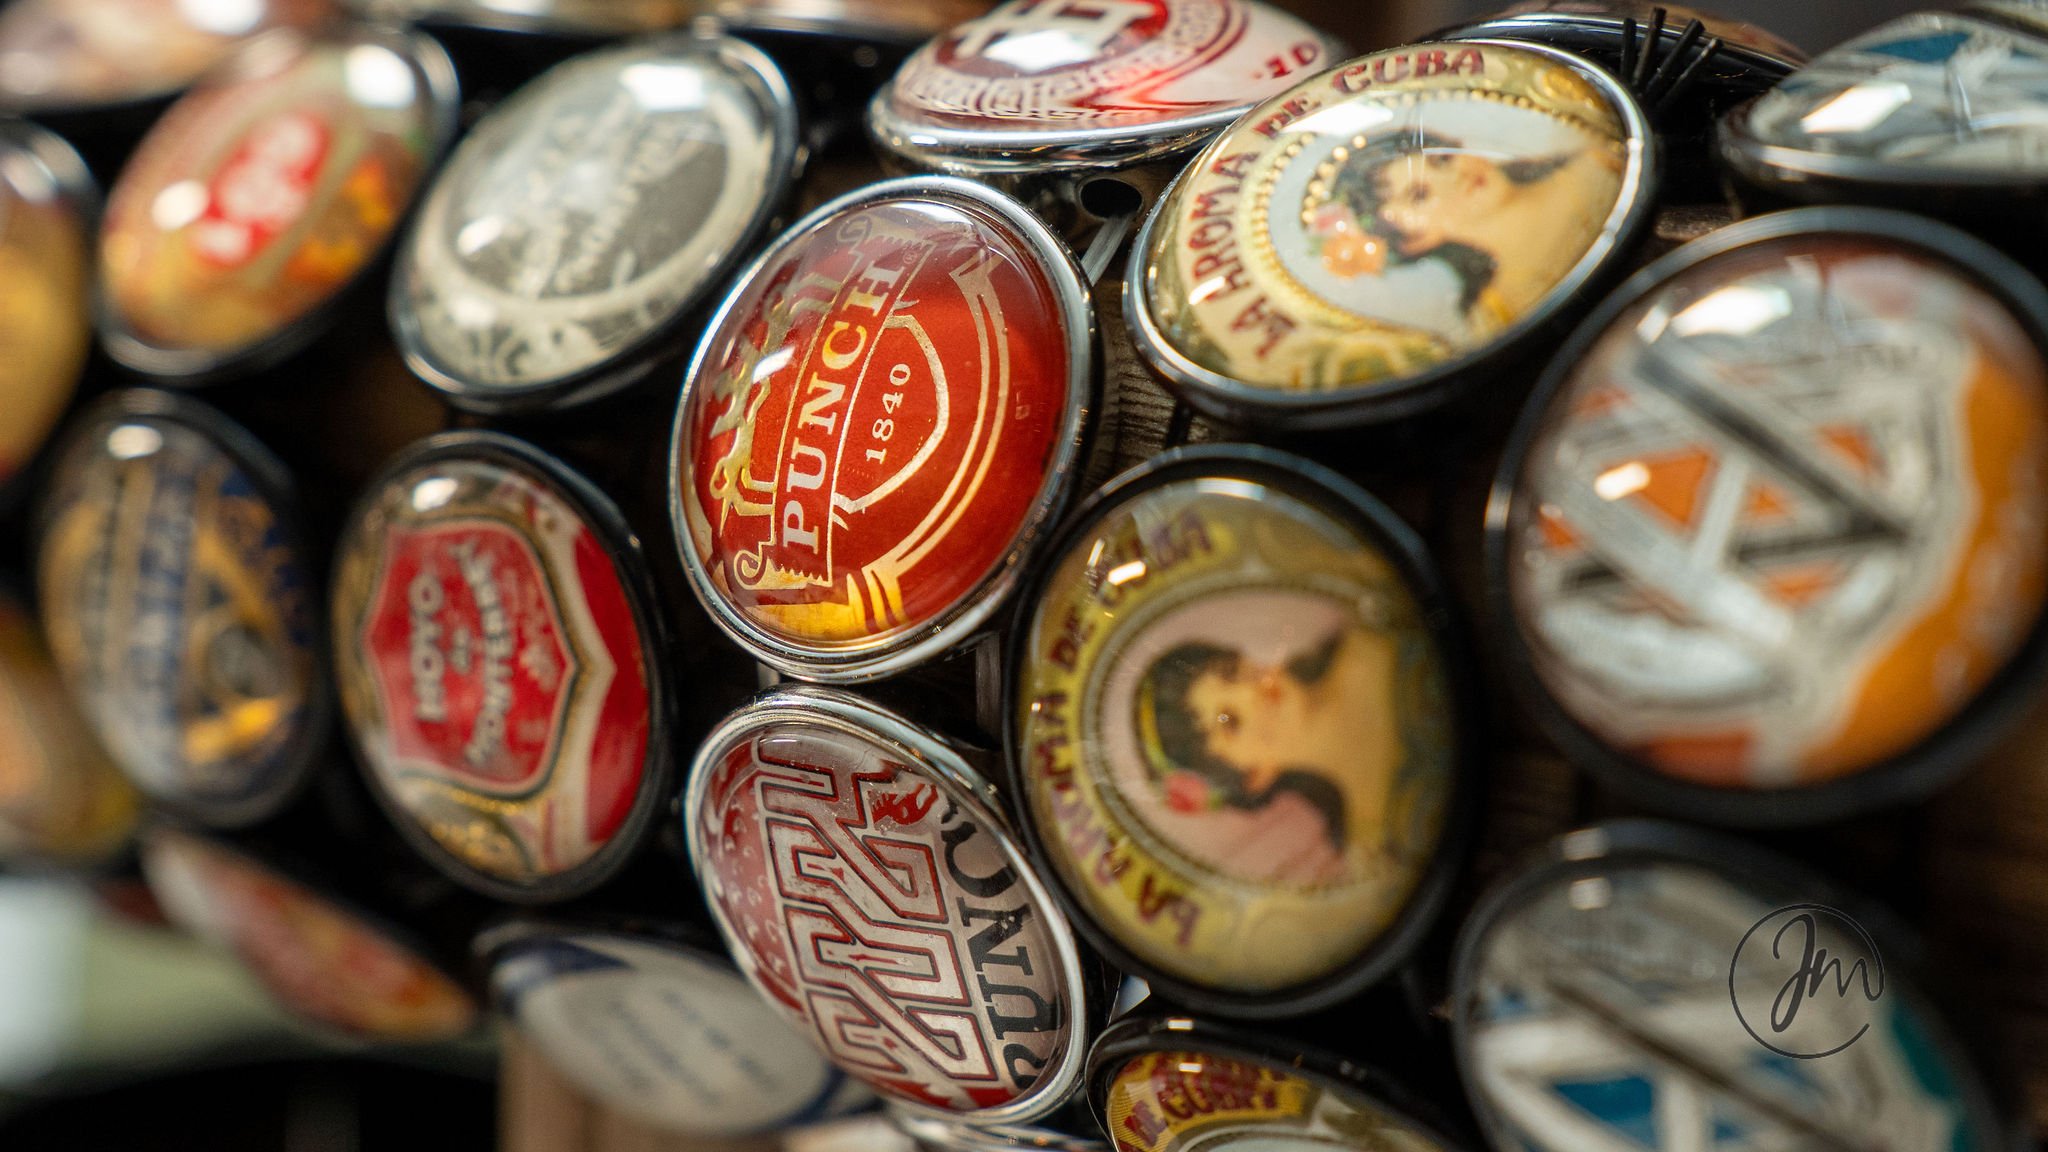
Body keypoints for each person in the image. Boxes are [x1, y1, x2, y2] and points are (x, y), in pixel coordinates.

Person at [1133, 619, 1412, 887]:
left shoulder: (1371, 642)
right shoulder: (1374, 850)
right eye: (1229, 721)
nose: (1250, 692)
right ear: (1255, 777)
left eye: (1231, 672)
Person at [1307, 124, 1623, 335]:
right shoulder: (1495, 316)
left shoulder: (1597, 165)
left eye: (1443, 160)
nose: (1454, 178)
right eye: (1420, 195)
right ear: (1416, 241)